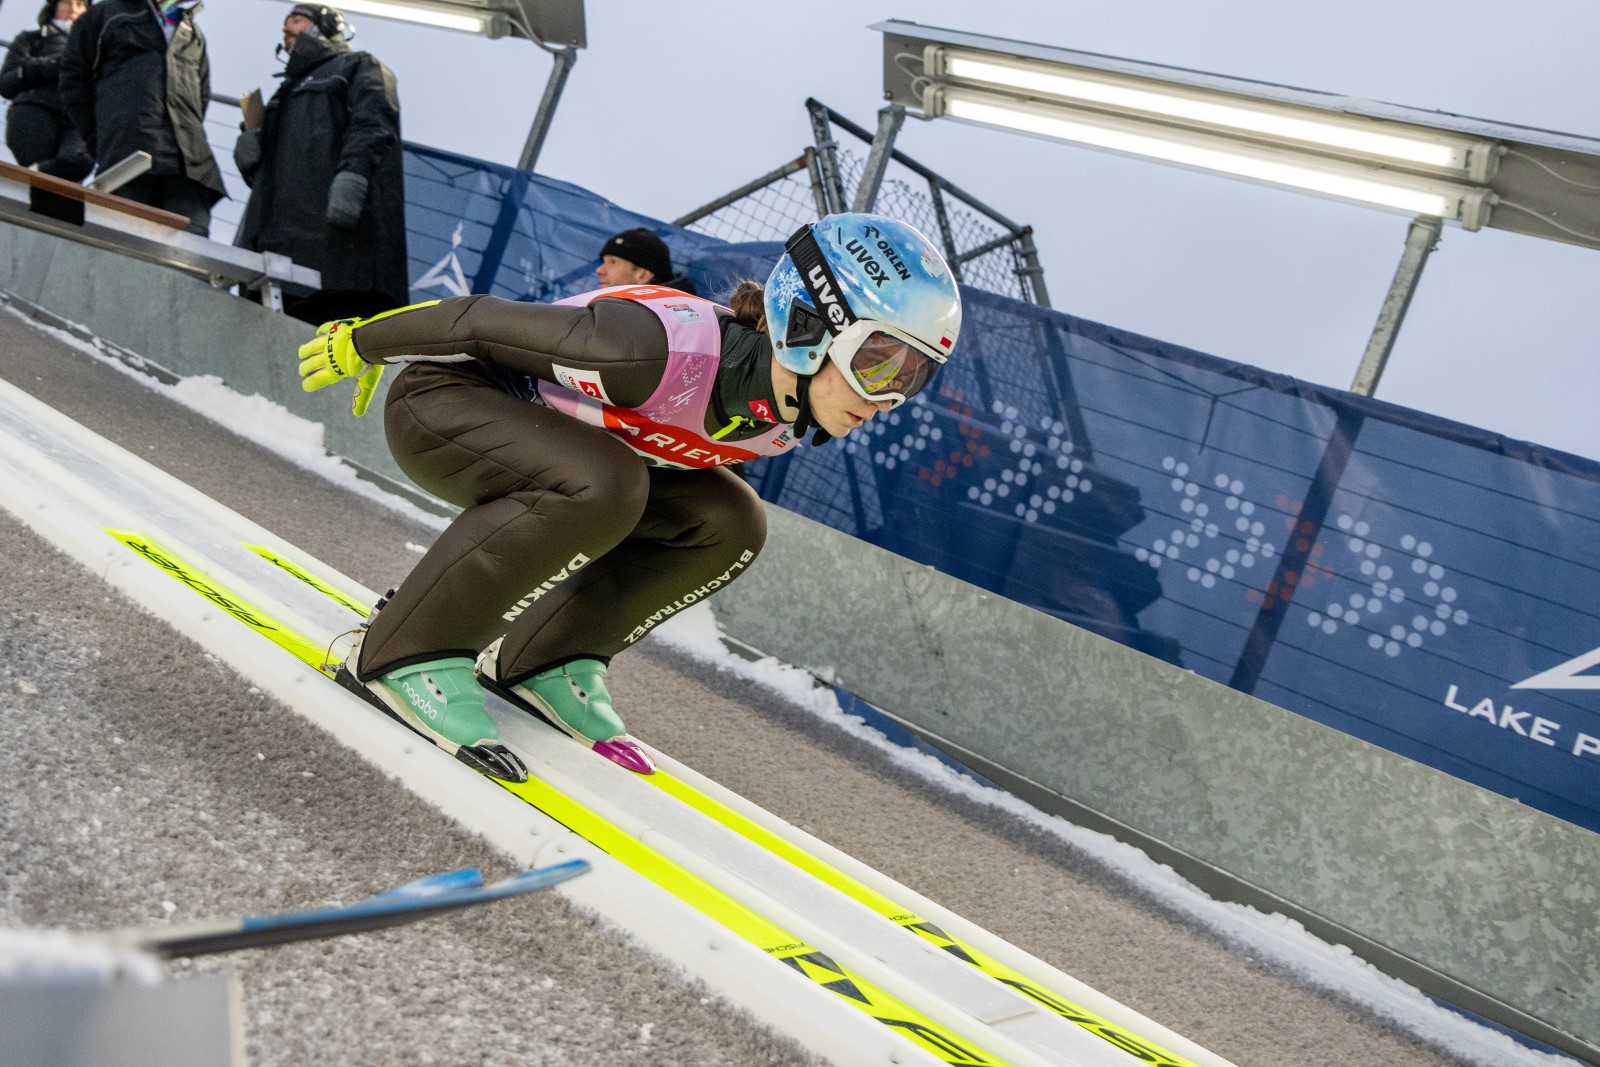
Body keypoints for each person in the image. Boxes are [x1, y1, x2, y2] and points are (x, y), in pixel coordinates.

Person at [294, 212, 962, 780]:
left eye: (911, 376)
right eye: (878, 363)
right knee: (610, 485)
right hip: (443, 404)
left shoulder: (781, 412)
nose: (888, 398)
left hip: (556, 445)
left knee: (730, 522)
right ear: (810, 325)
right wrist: (360, 340)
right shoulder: (655, 352)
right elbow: (481, 322)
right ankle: (404, 652)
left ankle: (545, 658)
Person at [234, 4, 409, 325]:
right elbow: (270, 174)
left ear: (326, 26)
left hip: (338, 252)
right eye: (285, 22)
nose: (286, 28)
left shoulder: (359, 65)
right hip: (276, 253)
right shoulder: (280, 96)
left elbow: (374, 124)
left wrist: (353, 176)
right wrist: (248, 148)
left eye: (297, 20)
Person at [57, 0, 225, 235]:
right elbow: (73, 81)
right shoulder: (105, 14)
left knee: (189, 260)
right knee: (118, 250)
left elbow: (201, 98)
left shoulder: (194, 35)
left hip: (190, 170)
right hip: (126, 157)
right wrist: (101, 138)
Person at [1, 0, 94, 181]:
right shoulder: (31, 39)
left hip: (77, 117)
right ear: (54, 6)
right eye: (67, 2)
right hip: (35, 109)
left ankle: (31, 175)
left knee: (80, 161)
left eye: (80, 4)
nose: (73, 9)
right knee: (47, 184)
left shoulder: (95, 48)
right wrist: (53, 65)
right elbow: (6, 84)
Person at [596, 226, 697, 294]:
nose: (599, 270)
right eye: (603, 262)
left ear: (643, 275)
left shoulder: (658, 318)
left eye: (613, 262)